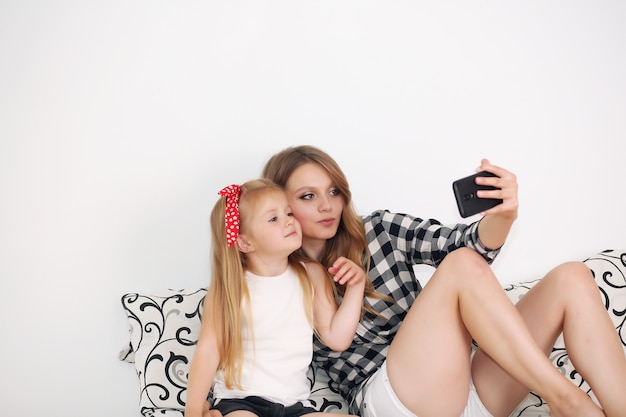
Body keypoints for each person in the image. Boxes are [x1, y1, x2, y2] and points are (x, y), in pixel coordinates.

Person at [262, 145, 626, 417]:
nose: (327, 206)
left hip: (465, 387)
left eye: (333, 191)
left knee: (572, 277)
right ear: (282, 205)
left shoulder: (379, 230)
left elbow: (464, 244)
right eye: (308, 196)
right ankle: (569, 401)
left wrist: (505, 215)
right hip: (395, 400)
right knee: (461, 266)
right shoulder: (281, 277)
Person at [184, 179, 366, 417]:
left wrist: (356, 285)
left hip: (295, 407)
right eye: (273, 218)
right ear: (245, 242)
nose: (289, 220)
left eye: (288, 212)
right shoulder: (232, 288)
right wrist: (194, 410)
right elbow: (209, 349)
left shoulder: (310, 274)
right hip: (241, 402)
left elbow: (337, 339)